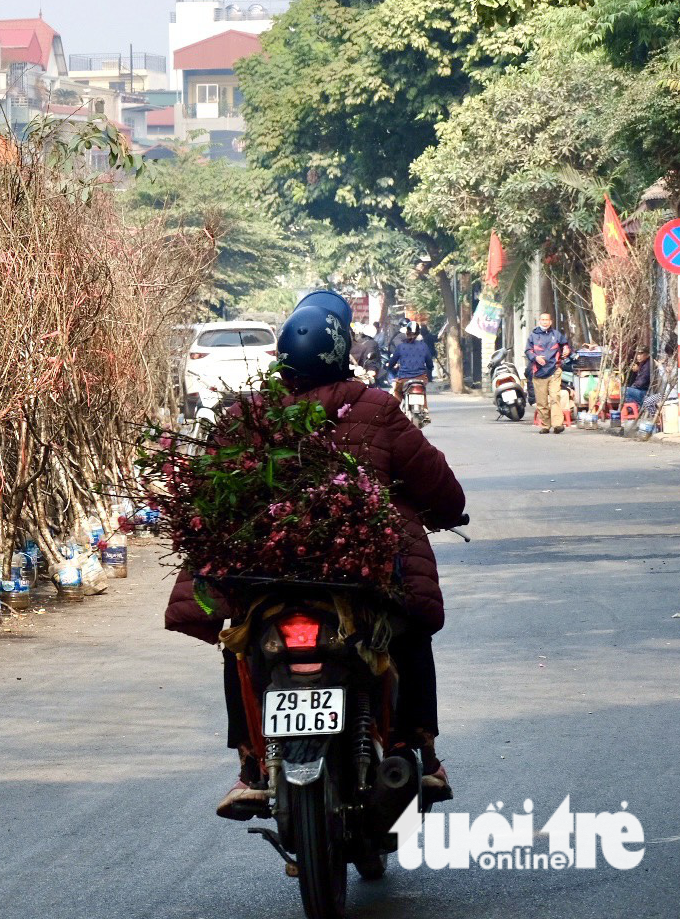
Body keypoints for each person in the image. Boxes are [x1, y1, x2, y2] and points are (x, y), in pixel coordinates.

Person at [165, 300, 466, 819]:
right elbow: (437, 486)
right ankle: (414, 748)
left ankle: (251, 766)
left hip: (266, 576)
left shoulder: (245, 416)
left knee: (239, 646)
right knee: (409, 630)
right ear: (342, 352)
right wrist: (445, 512)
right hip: (361, 576)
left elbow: (203, 502)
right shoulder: (377, 408)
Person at [525, 312, 571, 434]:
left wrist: (566, 350)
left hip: (554, 370)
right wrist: (536, 358)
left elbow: (565, 345)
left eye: (547, 320)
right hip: (539, 372)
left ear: (550, 322)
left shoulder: (556, 335)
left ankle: (557, 425)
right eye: (542, 320)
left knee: (555, 397)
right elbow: (528, 351)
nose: (545, 322)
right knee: (542, 401)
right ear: (539, 321)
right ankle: (545, 425)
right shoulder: (533, 336)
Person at [623, 347, 654, 412]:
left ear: (647, 354)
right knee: (627, 391)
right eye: (637, 354)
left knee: (624, 390)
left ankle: (636, 408)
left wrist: (631, 387)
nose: (638, 356)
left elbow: (641, 383)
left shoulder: (648, 365)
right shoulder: (643, 363)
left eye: (641, 354)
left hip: (645, 393)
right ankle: (633, 409)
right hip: (642, 390)